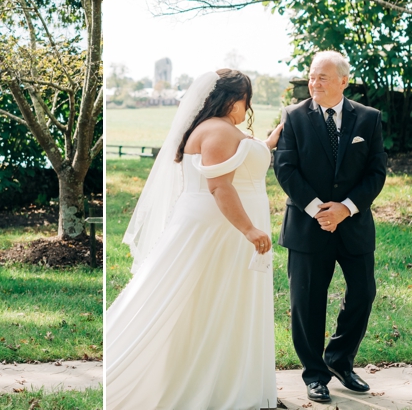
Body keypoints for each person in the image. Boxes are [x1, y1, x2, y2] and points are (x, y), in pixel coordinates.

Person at [105, 70, 282, 409]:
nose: (248, 106)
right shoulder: (217, 130)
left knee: (218, 303)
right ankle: (204, 388)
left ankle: (222, 381)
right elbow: (220, 186)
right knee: (206, 303)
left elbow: (240, 162)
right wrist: (248, 228)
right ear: (234, 99)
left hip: (220, 226)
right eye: (247, 99)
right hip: (220, 229)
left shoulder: (216, 128)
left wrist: (268, 143)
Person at [274, 51, 387, 403]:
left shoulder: (368, 119)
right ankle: (315, 374)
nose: (314, 83)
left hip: (353, 225)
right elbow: (285, 167)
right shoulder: (293, 117)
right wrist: (317, 210)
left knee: (363, 293)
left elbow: (376, 171)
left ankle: (339, 358)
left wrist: (346, 208)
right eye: (311, 76)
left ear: (343, 81)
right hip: (308, 226)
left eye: (322, 77)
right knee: (307, 301)